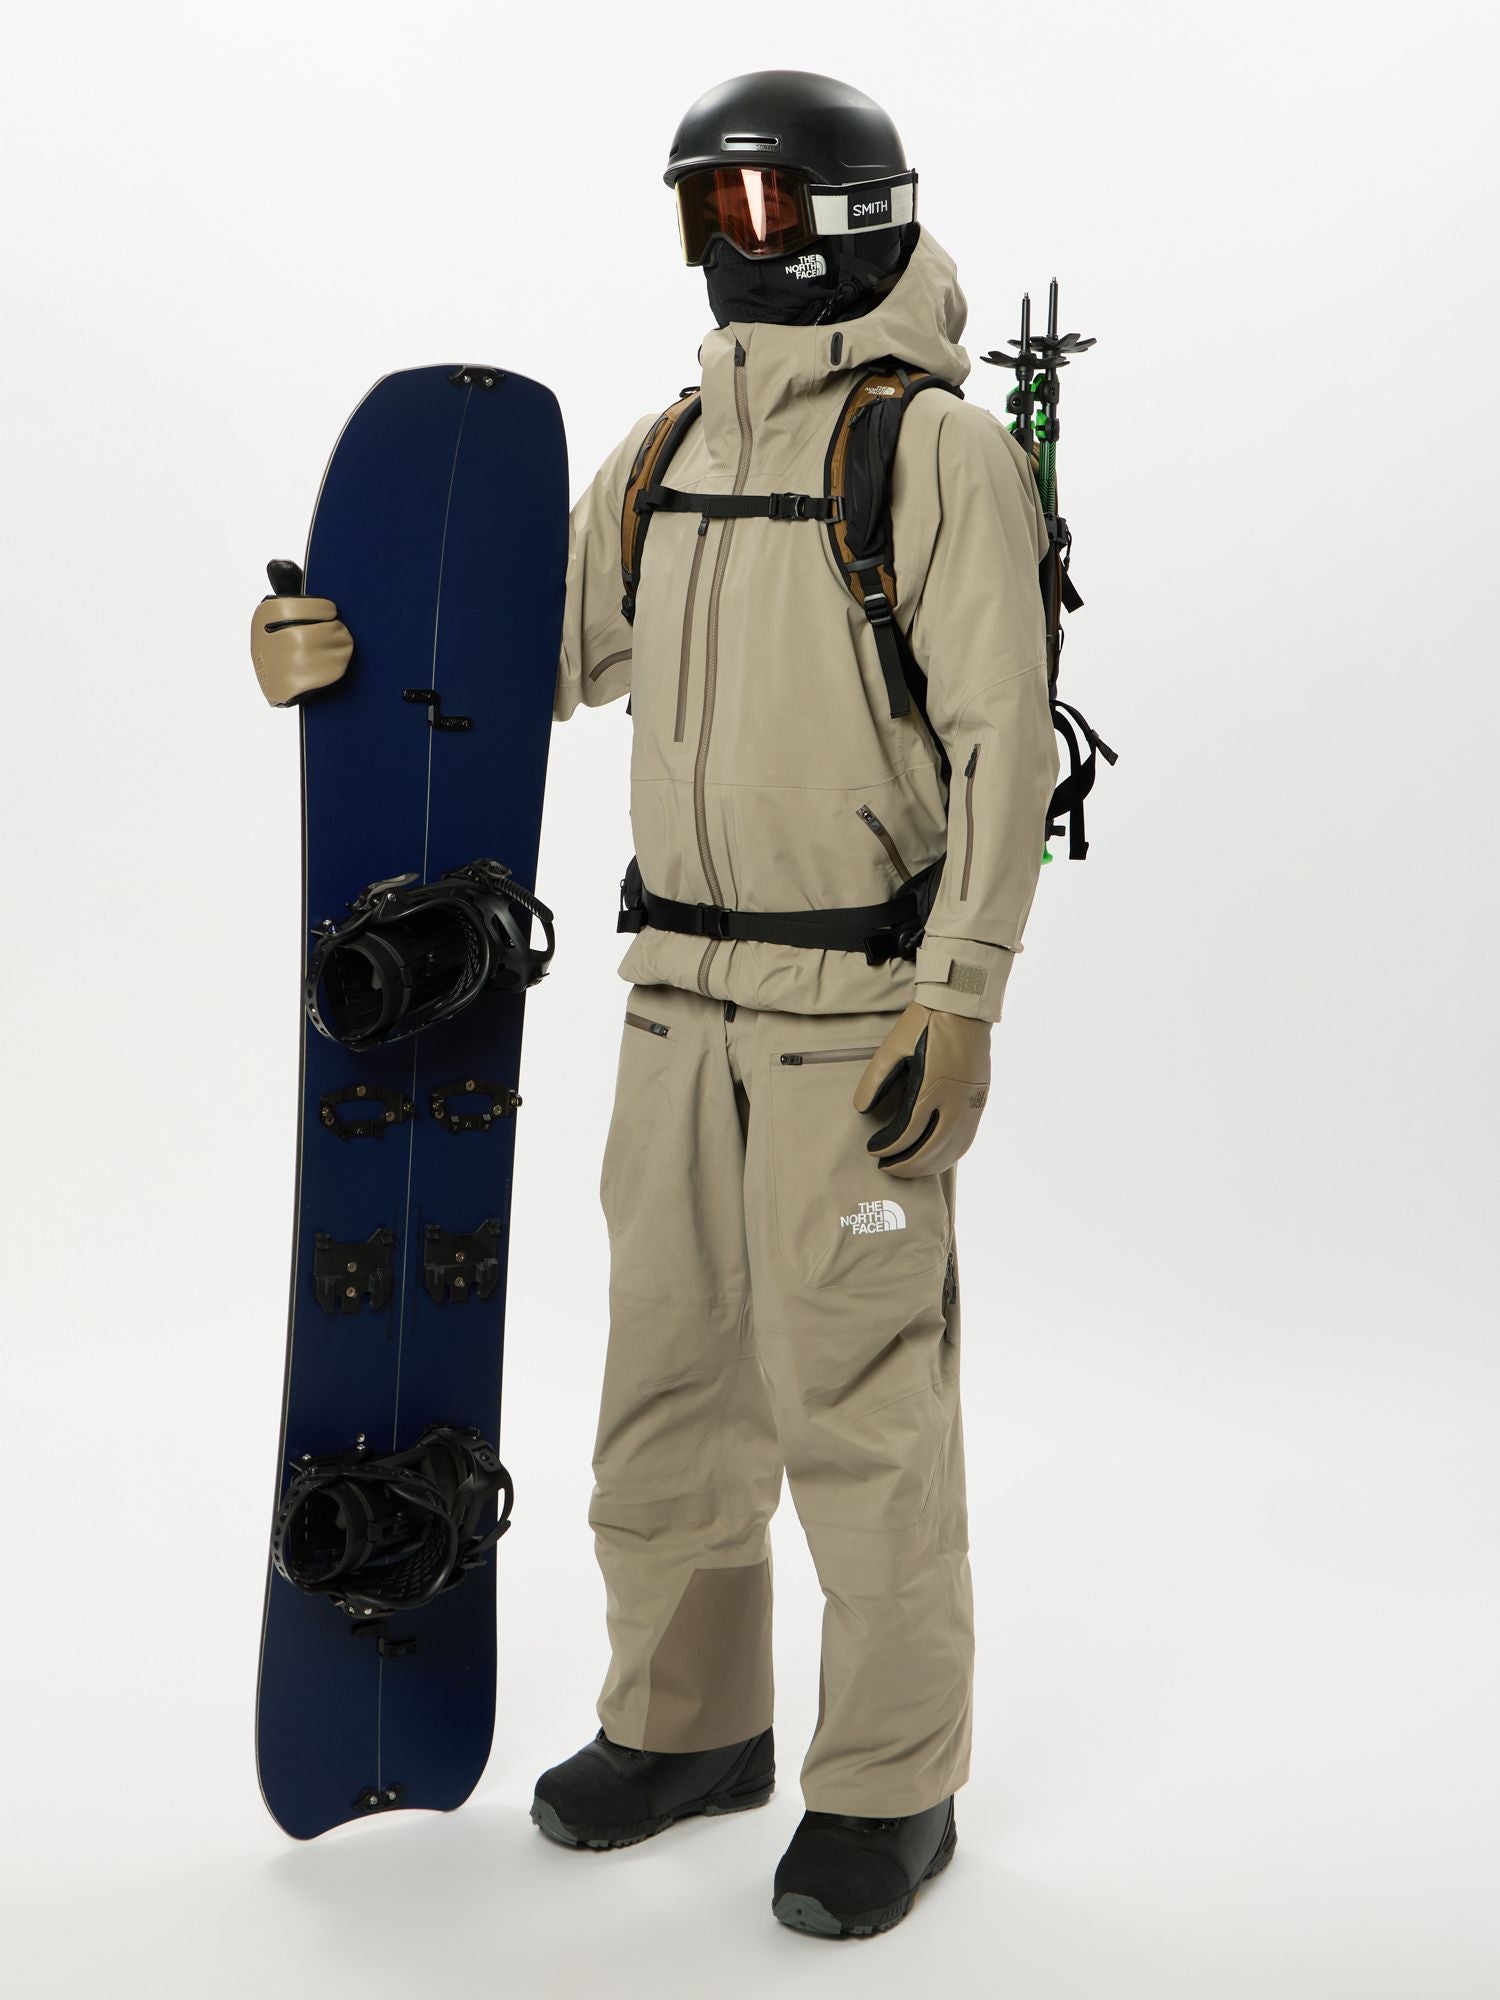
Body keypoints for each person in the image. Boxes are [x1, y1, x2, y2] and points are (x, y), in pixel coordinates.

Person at [252, 69, 1058, 1939]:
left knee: (858, 1402)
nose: (731, 244)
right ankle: (691, 1725)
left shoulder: (932, 453)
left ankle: (892, 1783)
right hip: (672, 995)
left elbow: (1005, 742)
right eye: (706, 209)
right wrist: (336, 662)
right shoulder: (670, 447)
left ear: (855, 218)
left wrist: (962, 996)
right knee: (669, 1385)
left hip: (852, 1010)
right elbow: (514, 663)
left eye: (763, 207)